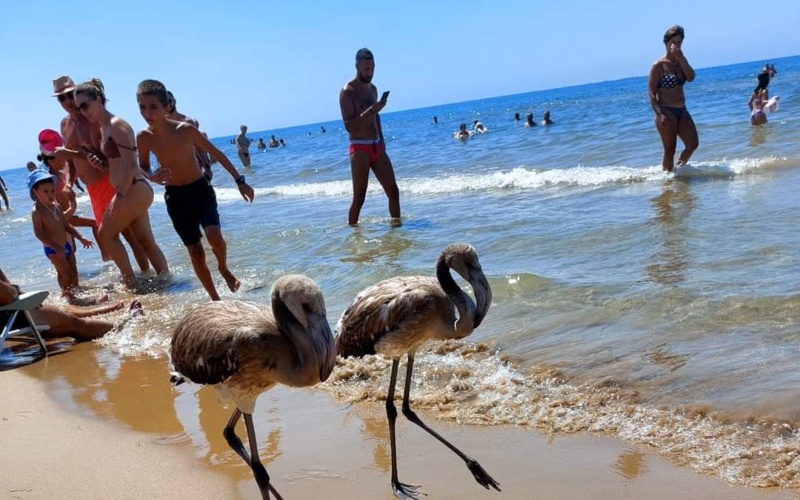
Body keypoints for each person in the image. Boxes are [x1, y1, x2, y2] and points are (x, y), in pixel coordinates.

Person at [136, 79, 255, 300]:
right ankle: (215, 299)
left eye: (153, 106)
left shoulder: (185, 130)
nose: (147, 112)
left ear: (166, 106)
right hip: (175, 197)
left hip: (200, 190)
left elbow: (217, 153)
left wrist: (240, 180)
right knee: (196, 252)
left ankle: (223, 267)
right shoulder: (144, 137)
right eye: (142, 107)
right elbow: (142, 166)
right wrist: (151, 175)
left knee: (214, 236)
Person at [70, 78, 169, 286]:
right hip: (132, 188)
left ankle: (131, 283)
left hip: (132, 189)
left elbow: (132, 165)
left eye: (85, 105)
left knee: (105, 234)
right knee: (145, 241)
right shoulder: (105, 127)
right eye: (79, 108)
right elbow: (119, 164)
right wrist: (102, 165)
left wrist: (120, 196)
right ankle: (167, 281)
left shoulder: (116, 125)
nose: (82, 111)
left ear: (98, 99)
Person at [50, 75, 150, 271]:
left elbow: (100, 153)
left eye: (70, 95)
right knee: (108, 238)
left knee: (129, 235)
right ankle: (130, 276)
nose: (68, 102)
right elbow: (71, 161)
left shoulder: (94, 120)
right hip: (92, 189)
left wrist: (67, 153)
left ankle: (144, 275)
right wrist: (69, 182)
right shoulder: (65, 124)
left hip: (107, 181)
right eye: (62, 99)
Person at [339, 48, 401, 226]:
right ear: (357, 66)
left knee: (393, 191)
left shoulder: (373, 89)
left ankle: (397, 234)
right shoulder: (347, 91)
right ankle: (353, 235)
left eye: (372, 68)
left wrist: (382, 139)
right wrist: (372, 109)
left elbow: (377, 116)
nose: (370, 72)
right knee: (359, 197)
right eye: (366, 69)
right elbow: (348, 126)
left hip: (376, 145)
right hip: (359, 148)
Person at [0, 267, 139, 342]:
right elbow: (9, 294)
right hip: (8, 316)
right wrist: (16, 291)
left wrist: (17, 291)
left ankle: (99, 310)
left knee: (53, 307)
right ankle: (125, 322)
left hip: (6, 313)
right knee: (76, 324)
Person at [28, 170, 94, 302]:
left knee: (73, 273)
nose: (50, 194)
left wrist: (81, 237)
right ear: (35, 193)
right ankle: (68, 298)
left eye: (52, 190)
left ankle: (74, 294)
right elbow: (39, 233)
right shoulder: (37, 212)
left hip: (66, 245)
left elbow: (67, 226)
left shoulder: (56, 206)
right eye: (45, 192)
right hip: (52, 249)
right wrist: (55, 246)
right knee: (66, 273)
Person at [648, 25, 698, 172]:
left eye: (679, 42)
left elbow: (691, 77)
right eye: (673, 42)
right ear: (666, 43)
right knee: (670, 149)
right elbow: (651, 92)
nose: (676, 45)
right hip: (666, 111)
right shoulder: (659, 65)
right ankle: (667, 179)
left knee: (692, 144)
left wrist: (680, 58)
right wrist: (659, 114)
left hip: (682, 110)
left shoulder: (681, 61)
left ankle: (678, 170)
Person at [166, 91, 213, 181]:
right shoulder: (162, 124)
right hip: (173, 170)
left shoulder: (187, 122)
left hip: (192, 166)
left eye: (169, 101)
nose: (168, 104)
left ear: (174, 101)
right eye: (164, 102)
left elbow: (198, 146)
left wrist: (207, 167)